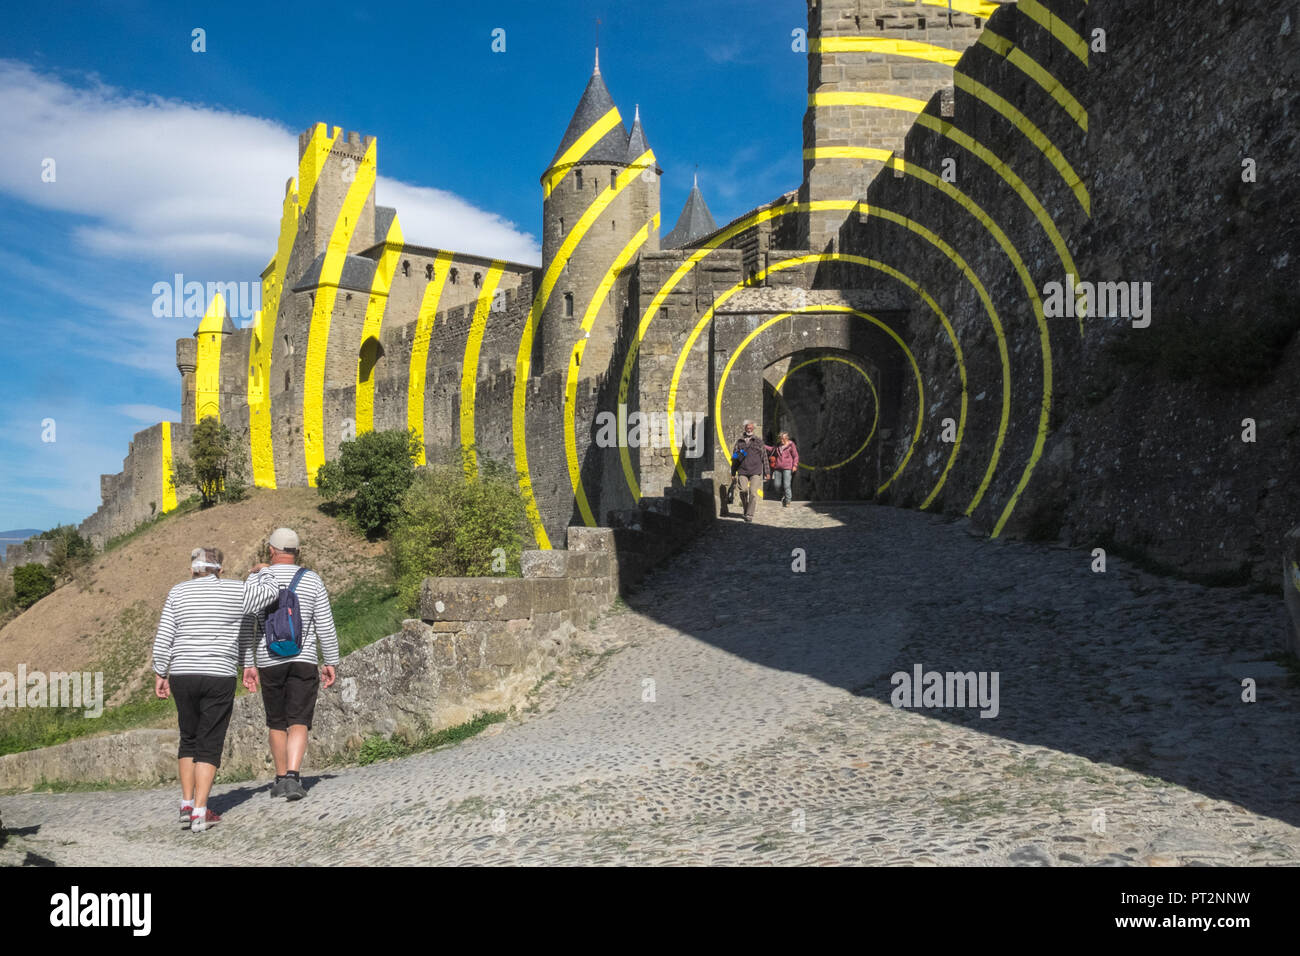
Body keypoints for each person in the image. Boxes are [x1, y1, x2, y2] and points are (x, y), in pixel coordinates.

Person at [153, 547, 281, 832]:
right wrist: (264, 571)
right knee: (209, 742)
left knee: (189, 737)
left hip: (183, 673)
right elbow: (270, 592)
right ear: (220, 570)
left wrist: (161, 672)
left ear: (192, 570)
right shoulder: (236, 591)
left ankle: (186, 805)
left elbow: (165, 636)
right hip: (217, 674)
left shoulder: (177, 592)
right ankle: (201, 812)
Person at [242, 528, 339, 802]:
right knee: (299, 720)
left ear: (271, 551)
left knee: (276, 720)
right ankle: (295, 778)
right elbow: (325, 625)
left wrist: (248, 664)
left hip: (268, 660)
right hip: (303, 659)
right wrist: (330, 660)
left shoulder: (257, 582)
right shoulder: (312, 580)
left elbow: (247, 625)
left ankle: (280, 778)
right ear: (297, 552)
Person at [730, 420, 770, 523]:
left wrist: (767, 472)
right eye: (748, 427)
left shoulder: (759, 441)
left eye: (751, 427)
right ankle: (746, 508)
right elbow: (734, 458)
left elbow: (764, 457)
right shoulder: (739, 442)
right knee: (743, 490)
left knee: (752, 492)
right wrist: (733, 472)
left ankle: (749, 514)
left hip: (755, 471)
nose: (749, 429)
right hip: (742, 471)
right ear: (745, 428)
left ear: (753, 429)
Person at [770, 431, 800, 507]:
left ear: (787, 438)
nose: (782, 441)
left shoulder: (791, 445)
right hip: (778, 467)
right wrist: (763, 446)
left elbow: (796, 456)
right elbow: (771, 449)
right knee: (777, 485)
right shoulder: (778, 445)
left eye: (784, 439)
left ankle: (788, 501)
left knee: (787, 485)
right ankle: (782, 495)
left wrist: (795, 465)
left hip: (788, 467)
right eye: (781, 439)